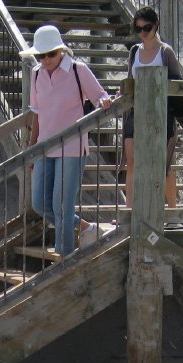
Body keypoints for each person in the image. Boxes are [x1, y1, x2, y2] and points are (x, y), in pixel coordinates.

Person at [22, 25, 114, 257]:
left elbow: (100, 95)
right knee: (40, 204)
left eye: (50, 54)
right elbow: (36, 114)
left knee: (62, 206)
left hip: (72, 147)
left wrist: (103, 101)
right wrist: (31, 149)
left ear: (61, 51)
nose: (46, 59)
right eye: (41, 55)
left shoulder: (77, 70)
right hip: (44, 146)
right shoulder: (35, 73)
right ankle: (86, 228)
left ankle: (64, 256)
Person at [123, 7, 183, 209]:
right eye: (138, 28)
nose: (142, 32)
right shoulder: (134, 51)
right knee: (131, 162)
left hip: (161, 113)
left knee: (163, 167)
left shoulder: (165, 51)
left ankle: (172, 210)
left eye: (147, 27)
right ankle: (130, 210)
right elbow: (130, 81)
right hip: (135, 111)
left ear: (155, 26)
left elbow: (177, 84)